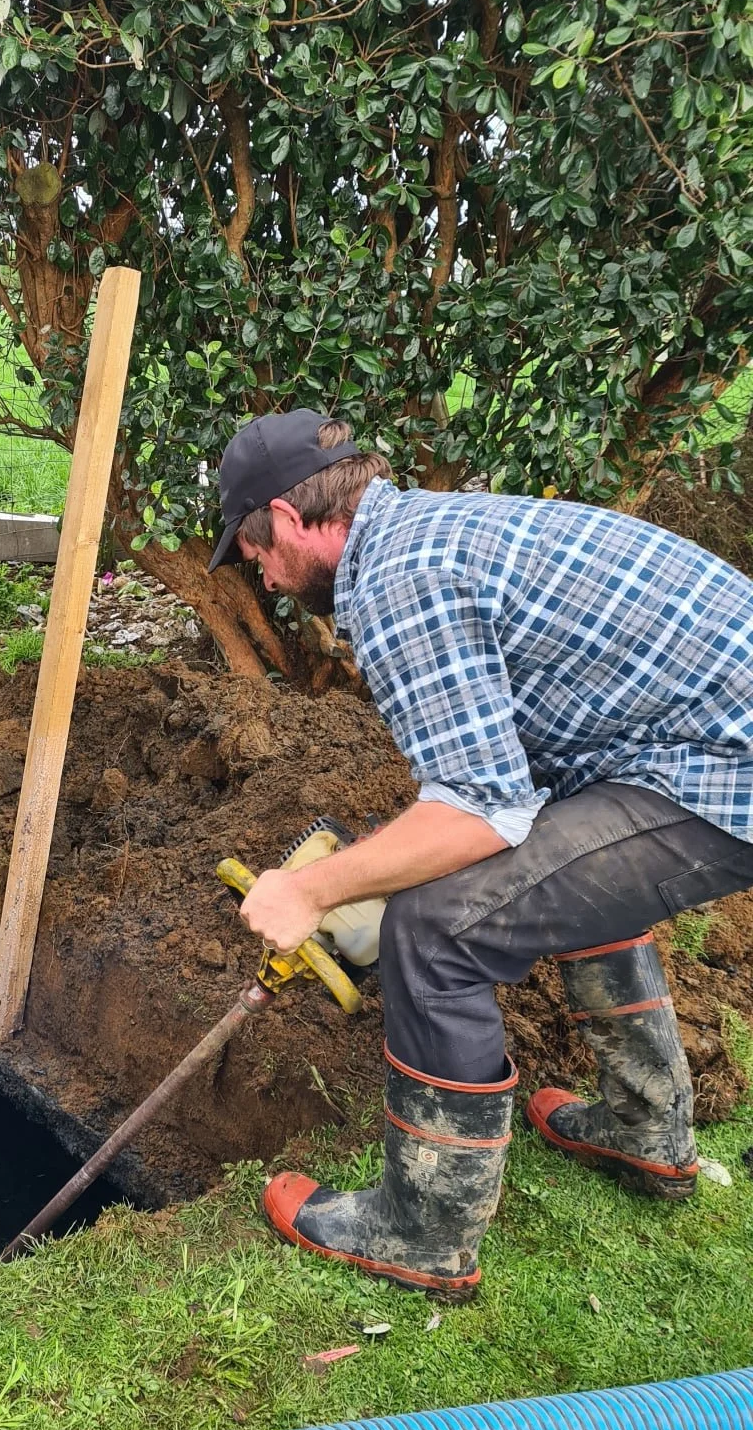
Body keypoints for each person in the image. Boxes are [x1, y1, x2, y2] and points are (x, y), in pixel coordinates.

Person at [210, 408, 753, 1300]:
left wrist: (311, 891)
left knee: (434, 928)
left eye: (256, 550)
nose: (261, 576)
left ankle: (422, 1231)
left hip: (723, 772)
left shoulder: (398, 583)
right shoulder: (427, 527)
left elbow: (480, 816)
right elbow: (495, 787)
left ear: (292, 516)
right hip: (691, 744)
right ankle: (646, 1133)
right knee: (562, 855)